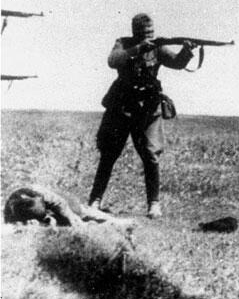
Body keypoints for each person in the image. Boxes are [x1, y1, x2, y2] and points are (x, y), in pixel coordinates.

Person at [86, 13, 195, 219]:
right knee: (109, 153)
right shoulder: (123, 43)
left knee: (151, 155)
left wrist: (187, 51)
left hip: (148, 107)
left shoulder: (158, 47)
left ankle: (153, 204)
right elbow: (113, 60)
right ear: (135, 33)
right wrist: (137, 49)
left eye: (151, 33)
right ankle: (95, 200)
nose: (149, 37)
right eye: (145, 34)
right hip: (121, 104)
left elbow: (177, 62)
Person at [5, 184, 130, 227]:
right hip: (32, 212)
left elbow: (63, 205)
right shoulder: (11, 211)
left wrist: (76, 223)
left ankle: (115, 221)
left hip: (59, 202)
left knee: (80, 212)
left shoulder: (44, 195)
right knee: (55, 224)